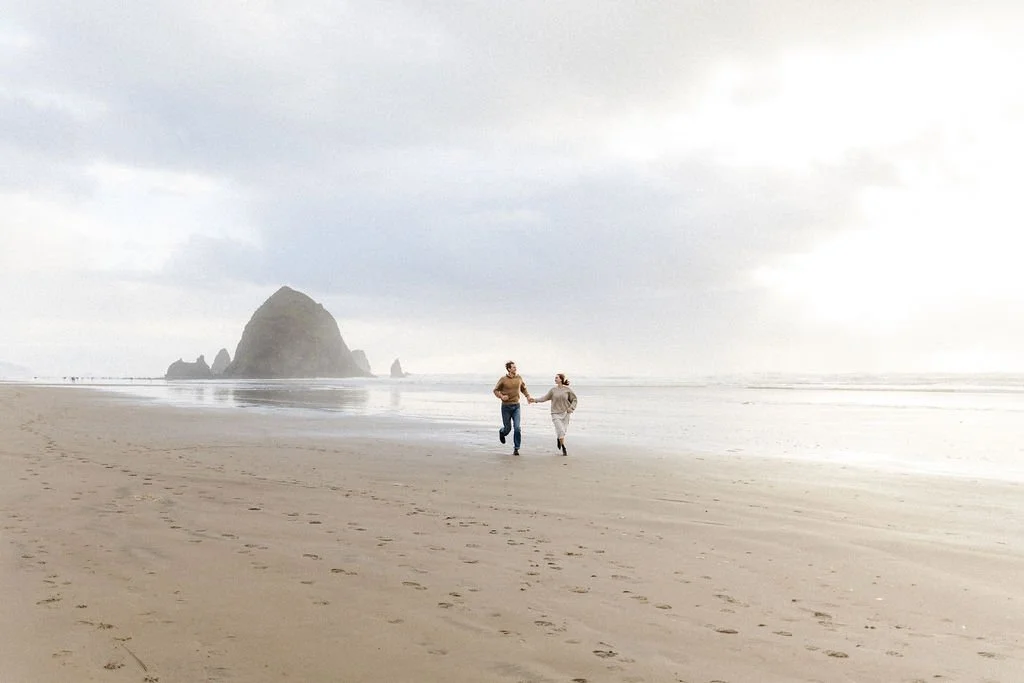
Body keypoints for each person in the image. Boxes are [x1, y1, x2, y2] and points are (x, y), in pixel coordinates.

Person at [529, 372, 578, 456]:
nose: (555, 379)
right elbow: (544, 398)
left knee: (563, 432)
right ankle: (563, 447)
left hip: (566, 413)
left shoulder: (567, 390)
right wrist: (534, 400)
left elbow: (574, 399)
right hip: (555, 413)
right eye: (555, 378)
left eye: (557, 378)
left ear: (561, 379)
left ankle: (559, 438)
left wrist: (571, 408)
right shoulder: (553, 390)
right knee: (561, 430)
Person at [493, 360, 532, 456]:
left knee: (517, 428)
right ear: (509, 369)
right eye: (513, 367)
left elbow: (523, 388)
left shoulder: (519, 378)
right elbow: (495, 390)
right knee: (507, 428)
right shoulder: (503, 379)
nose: (515, 368)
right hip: (506, 407)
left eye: (515, 367)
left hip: (516, 407)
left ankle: (516, 448)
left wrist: (527, 396)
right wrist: (501, 397)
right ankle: (502, 432)